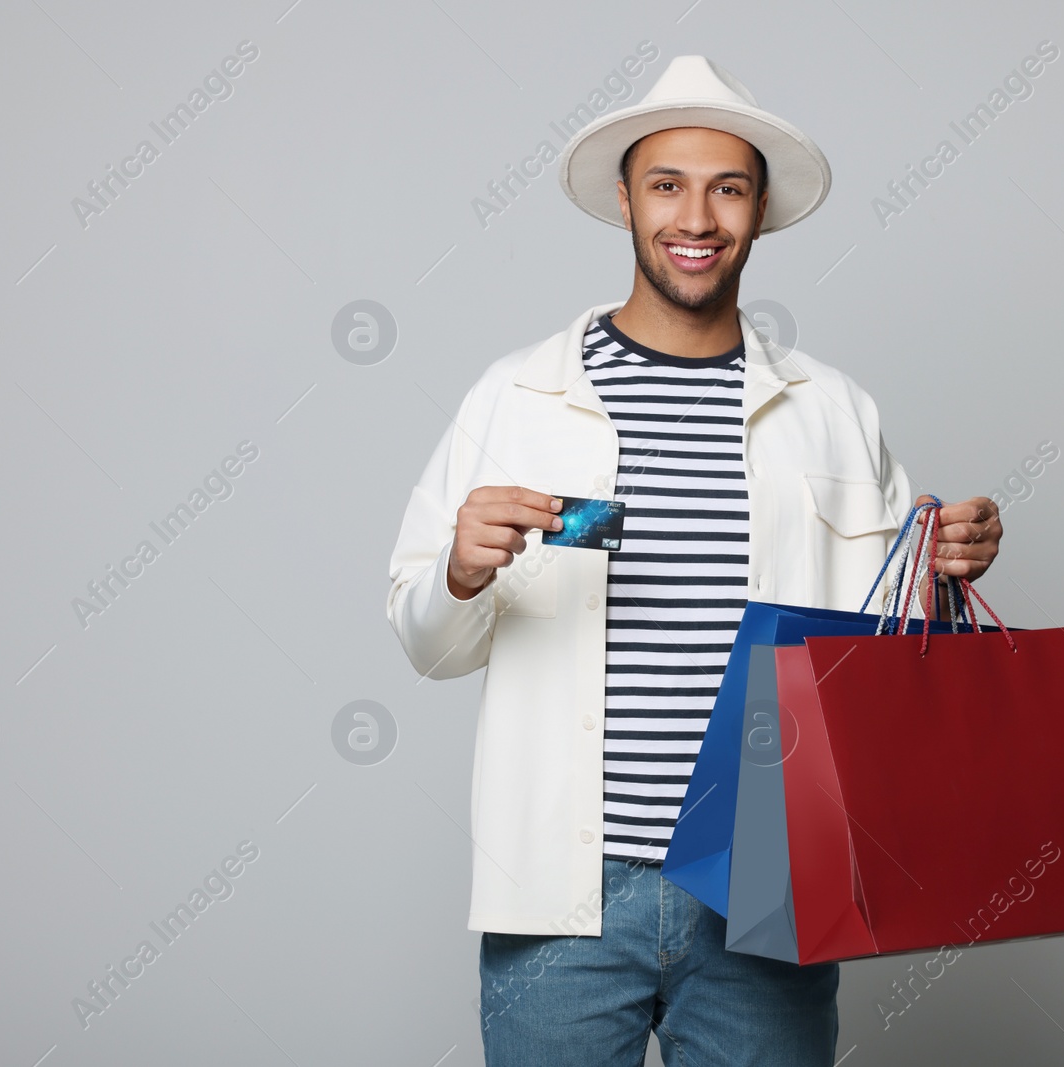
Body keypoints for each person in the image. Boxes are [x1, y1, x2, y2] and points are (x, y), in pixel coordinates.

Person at [386, 55, 1003, 1066]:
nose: (697, 216)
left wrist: (944, 568)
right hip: (563, 891)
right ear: (625, 199)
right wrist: (459, 571)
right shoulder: (517, 397)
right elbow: (426, 641)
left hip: (768, 880)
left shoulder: (832, 412)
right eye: (668, 183)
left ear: (758, 211)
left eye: (727, 187)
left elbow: (891, 660)